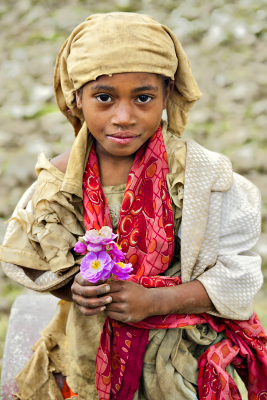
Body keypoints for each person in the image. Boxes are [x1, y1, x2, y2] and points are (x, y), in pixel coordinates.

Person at [0, 12, 266, 400]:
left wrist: (157, 299)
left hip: (179, 357)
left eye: (143, 98)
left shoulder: (201, 178)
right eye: (103, 98)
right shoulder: (59, 186)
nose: (123, 117)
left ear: (167, 94)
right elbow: (31, 260)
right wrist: (74, 289)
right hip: (86, 352)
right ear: (77, 97)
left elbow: (239, 274)